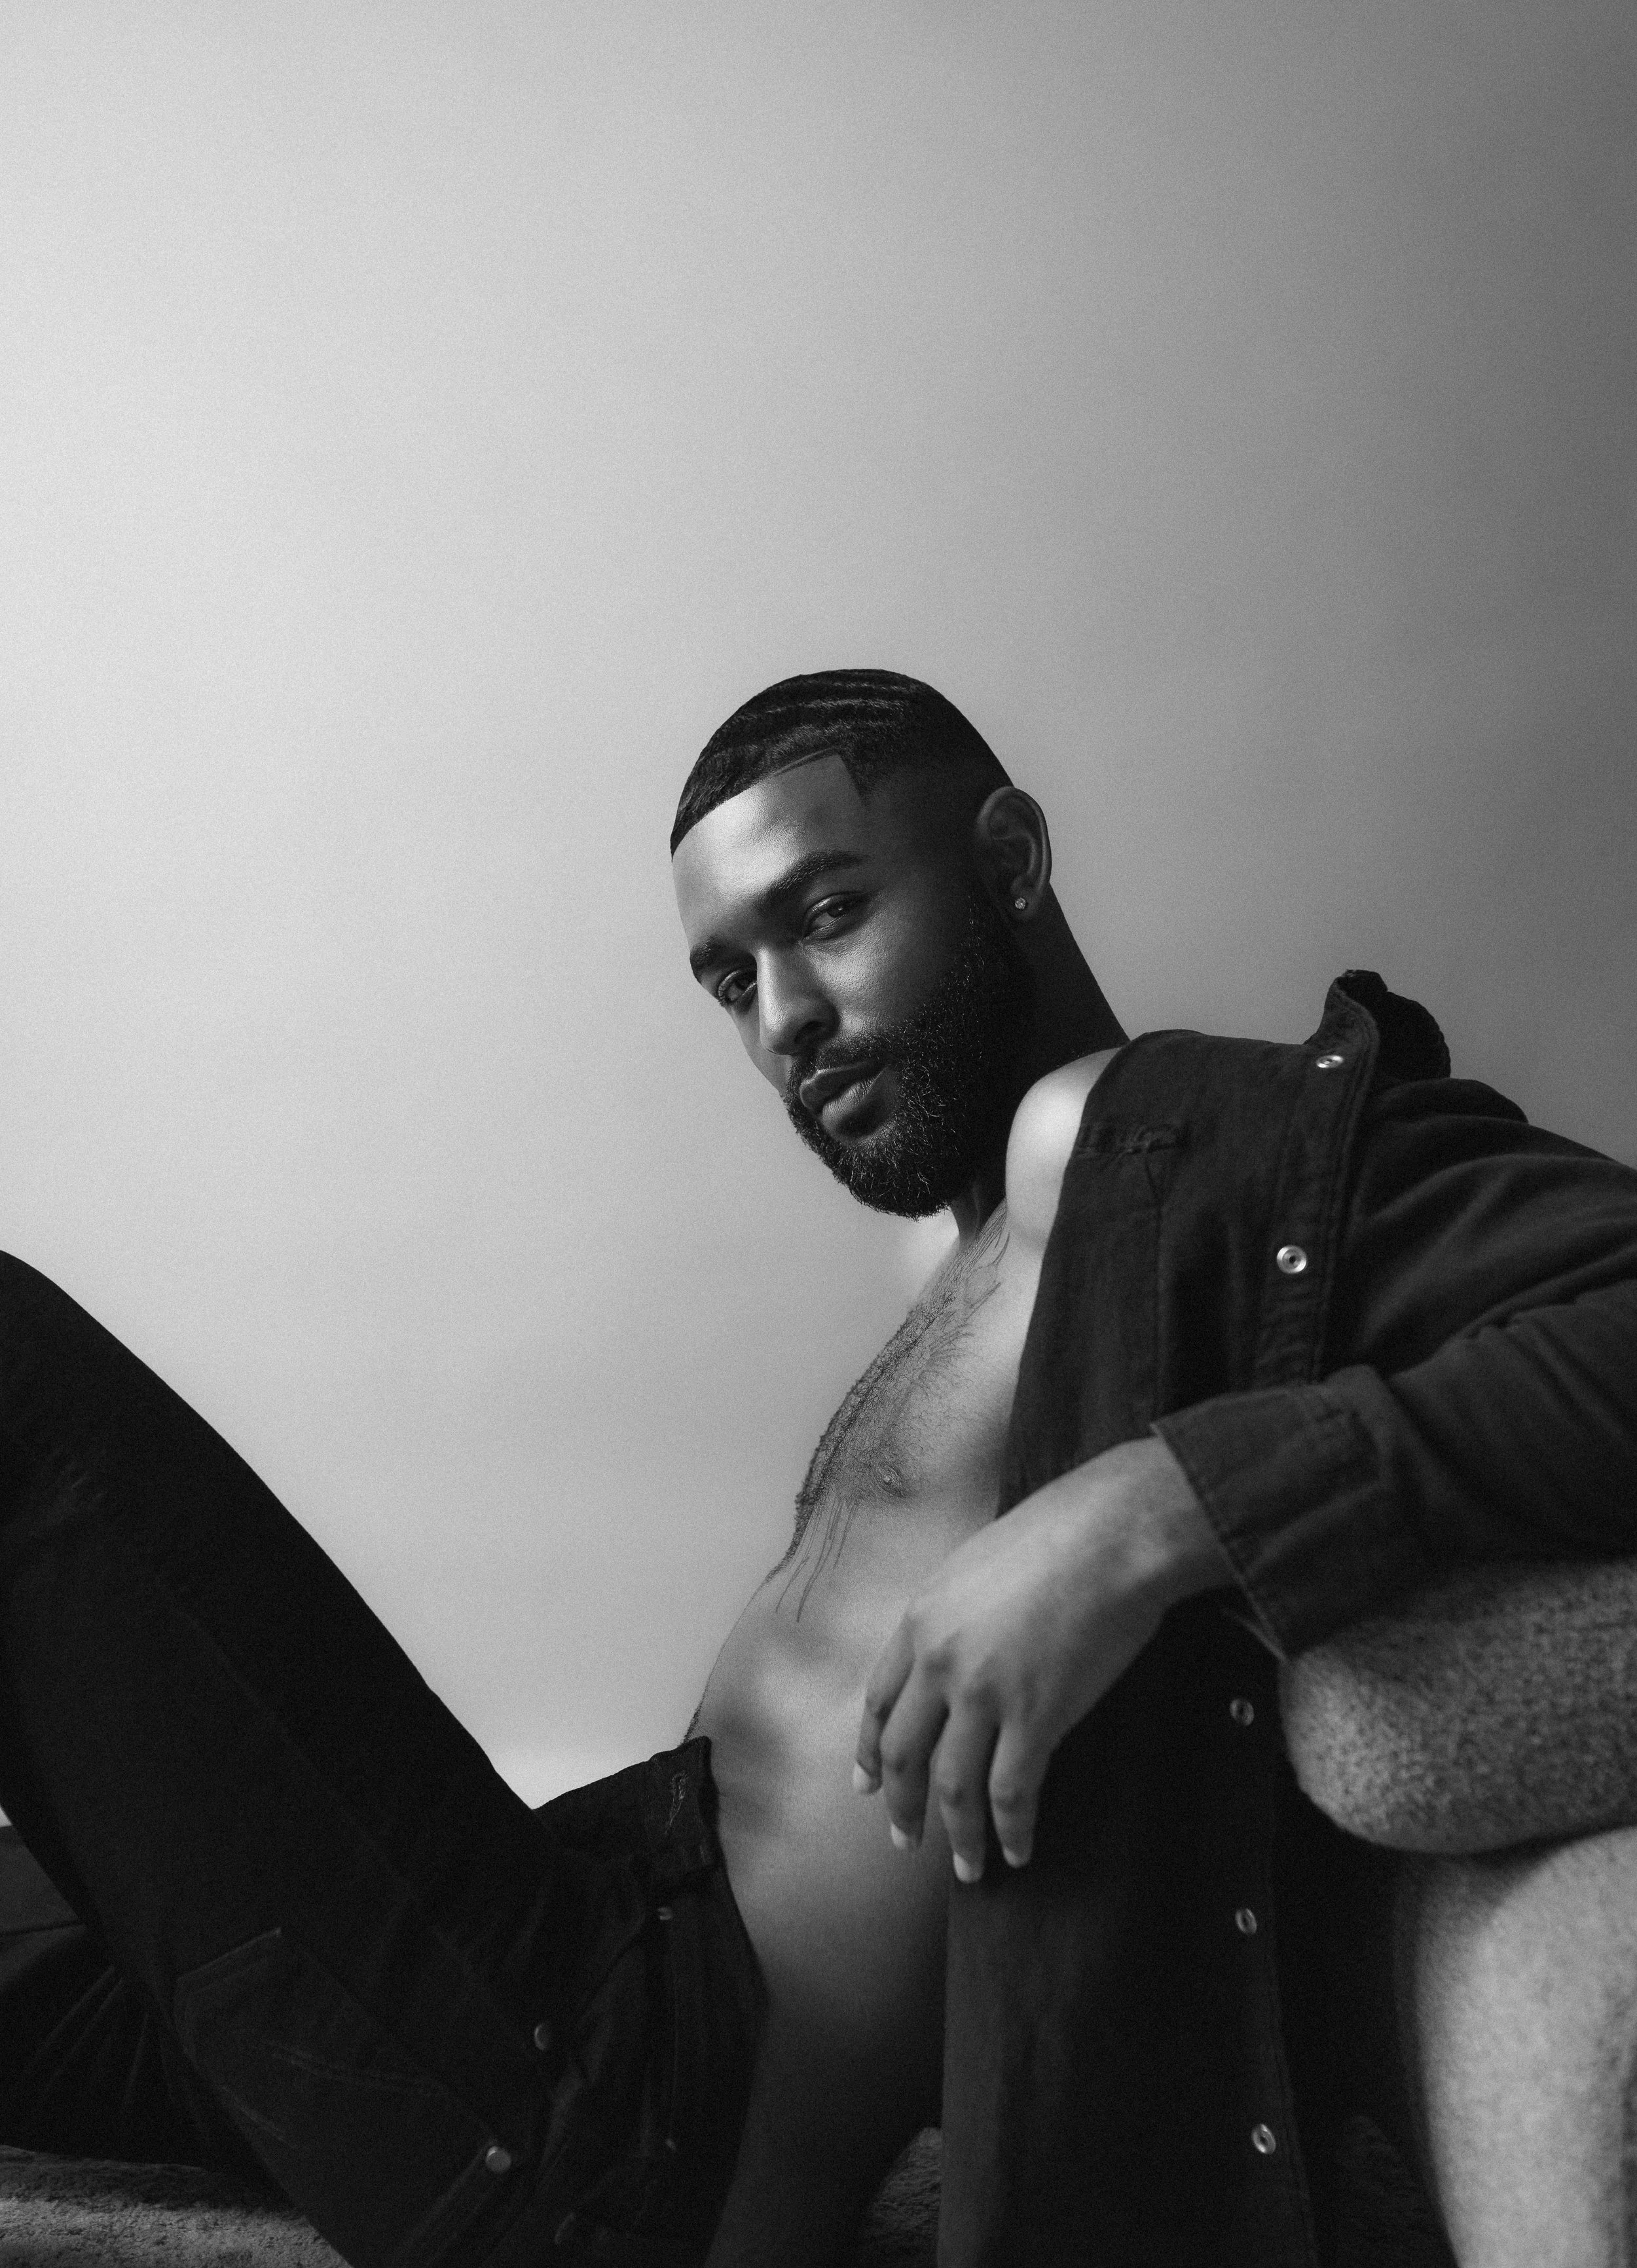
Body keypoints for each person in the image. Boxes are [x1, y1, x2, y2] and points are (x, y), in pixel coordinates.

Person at [0, 668, 1632, 2268]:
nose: (784, 1020)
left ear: (1008, 861)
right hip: (579, 1925)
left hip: (606, 2116)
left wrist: (1156, 1511)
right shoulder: (986, 1242)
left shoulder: (1181, 1133)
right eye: (729, 979)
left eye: (829, 915)